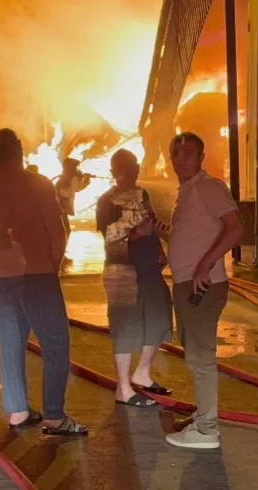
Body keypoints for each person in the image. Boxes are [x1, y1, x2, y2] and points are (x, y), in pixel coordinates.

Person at [0, 128, 88, 436]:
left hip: (3, 274)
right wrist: (51, 266)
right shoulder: (38, 185)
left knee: (11, 345)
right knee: (56, 344)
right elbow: (57, 231)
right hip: (36, 272)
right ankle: (54, 417)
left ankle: (18, 412)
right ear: (21, 150)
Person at [156, 131, 243, 449]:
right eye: (175, 154)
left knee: (200, 357)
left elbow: (236, 228)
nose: (182, 159)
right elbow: (190, 236)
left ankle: (207, 429)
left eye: (189, 153)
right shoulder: (188, 192)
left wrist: (205, 265)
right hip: (188, 285)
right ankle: (202, 418)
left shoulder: (209, 188)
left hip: (202, 286)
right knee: (194, 352)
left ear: (201, 157)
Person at [95, 149, 173, 408]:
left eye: (135, 165)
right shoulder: (107, 201)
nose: (134, 171)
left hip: (149, 268)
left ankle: (143, 372)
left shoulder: (142, 194)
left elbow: (151, 221)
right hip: (122, 271)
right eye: (127, 167)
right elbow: (110, 236)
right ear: (114, 172)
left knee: (159, 315)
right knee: (125, 326)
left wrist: (161, 249)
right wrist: (139, 233)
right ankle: (123, 388)